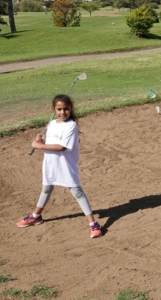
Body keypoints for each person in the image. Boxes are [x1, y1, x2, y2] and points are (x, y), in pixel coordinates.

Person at [16, 94, 102, 239]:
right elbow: (53, 140)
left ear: (71, 109)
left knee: (78, 193)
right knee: (46, 189)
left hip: (65, 165)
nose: (63, 112)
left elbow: (62, 147)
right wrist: (42, 139)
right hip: (51, 163)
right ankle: (36, 216)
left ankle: (93, 224)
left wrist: (39, 145)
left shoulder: (71, 125)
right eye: (59, 109)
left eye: (66, 109)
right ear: (54, 110)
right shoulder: (52, 123)